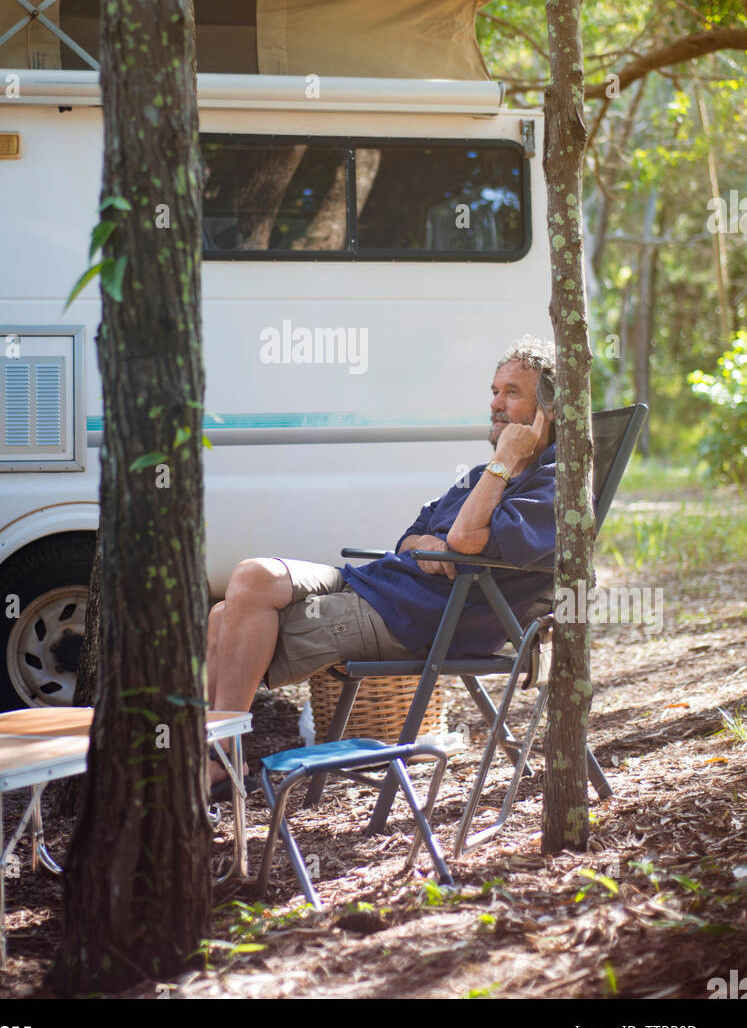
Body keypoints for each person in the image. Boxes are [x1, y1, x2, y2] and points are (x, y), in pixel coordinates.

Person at [206, 335, 557, 790]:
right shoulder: (479, 477)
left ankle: (217, 762)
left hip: (417, 618)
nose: (495, 403)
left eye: (512, 393)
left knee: (223, 619)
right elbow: (412, 536)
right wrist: (434, 542)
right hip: (378, 586)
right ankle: (218, 757)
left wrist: (504, 461)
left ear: (547, 410)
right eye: (494, 390)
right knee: (254, 575)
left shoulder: (549, 486)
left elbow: (465, 538)